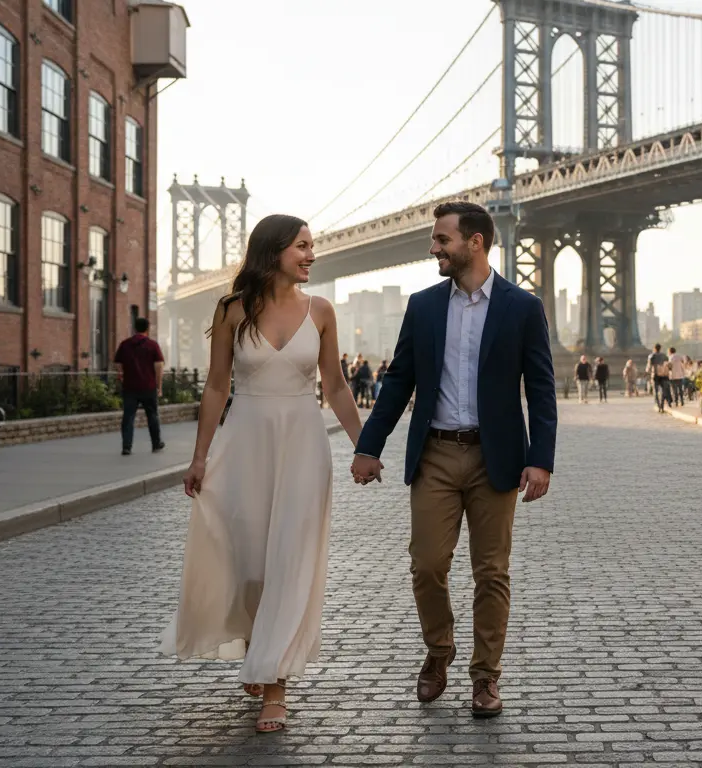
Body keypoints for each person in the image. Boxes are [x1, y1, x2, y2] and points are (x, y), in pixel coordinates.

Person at [158, 214, 366, 734]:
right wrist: (200, 456)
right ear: (273, 251)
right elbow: (215, 387)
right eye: (302, 246)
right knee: (248, 558)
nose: (311, 254)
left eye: (313, 245)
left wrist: (367, 446)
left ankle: (275, 683)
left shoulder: (321, 311)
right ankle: (258, 645)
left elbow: (336, 387)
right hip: (244, 443)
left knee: (289, 560)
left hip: (302, 445)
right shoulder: (232, 310)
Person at [350, 201, 557, 719]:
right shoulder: (422, 306)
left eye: (442, 239)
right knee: (427, 565)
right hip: (437, 454)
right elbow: (398, 381)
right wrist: (368, 446)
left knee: (491, 573)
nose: (433, 247)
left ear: (476, 242)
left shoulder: (522, 307)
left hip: (497, 460)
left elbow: (542, 388)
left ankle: (486, 678)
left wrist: (541, 459)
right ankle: (439, 652)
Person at [114, 316, 166, 456]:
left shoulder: (125, 344)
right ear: (147, 329)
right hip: (148, 386)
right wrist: (159, 386)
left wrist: (121, 374)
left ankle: (126, 446)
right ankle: (156, 443)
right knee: (152, 415)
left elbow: (118, 363)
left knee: (128, 416)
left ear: (134, 328)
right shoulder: (152, 345)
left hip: (130, 387)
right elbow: (159, 366)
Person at [649, 343, 671, 413]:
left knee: (656, 391)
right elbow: (668, 366)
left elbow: (649, 366)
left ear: (654, 348)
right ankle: (662, 405)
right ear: (660, 348)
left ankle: (659, 406)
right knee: (663, 391)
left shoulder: (652, 356)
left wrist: (648, 373)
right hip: (664, 375)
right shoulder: (665, 356)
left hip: (655, 375)